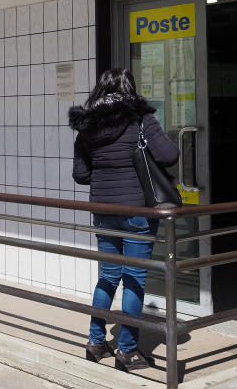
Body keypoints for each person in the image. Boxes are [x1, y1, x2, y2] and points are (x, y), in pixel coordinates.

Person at [68, 68, 179, 372]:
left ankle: (95, 341)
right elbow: (170, 155)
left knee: (108, 276)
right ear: (129, 88)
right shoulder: (139, 118)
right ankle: (127, 351)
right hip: (136, 213)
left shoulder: (87, 126)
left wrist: (104, 168)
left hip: (104, 212)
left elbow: (80, 175)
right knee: (134, 280)